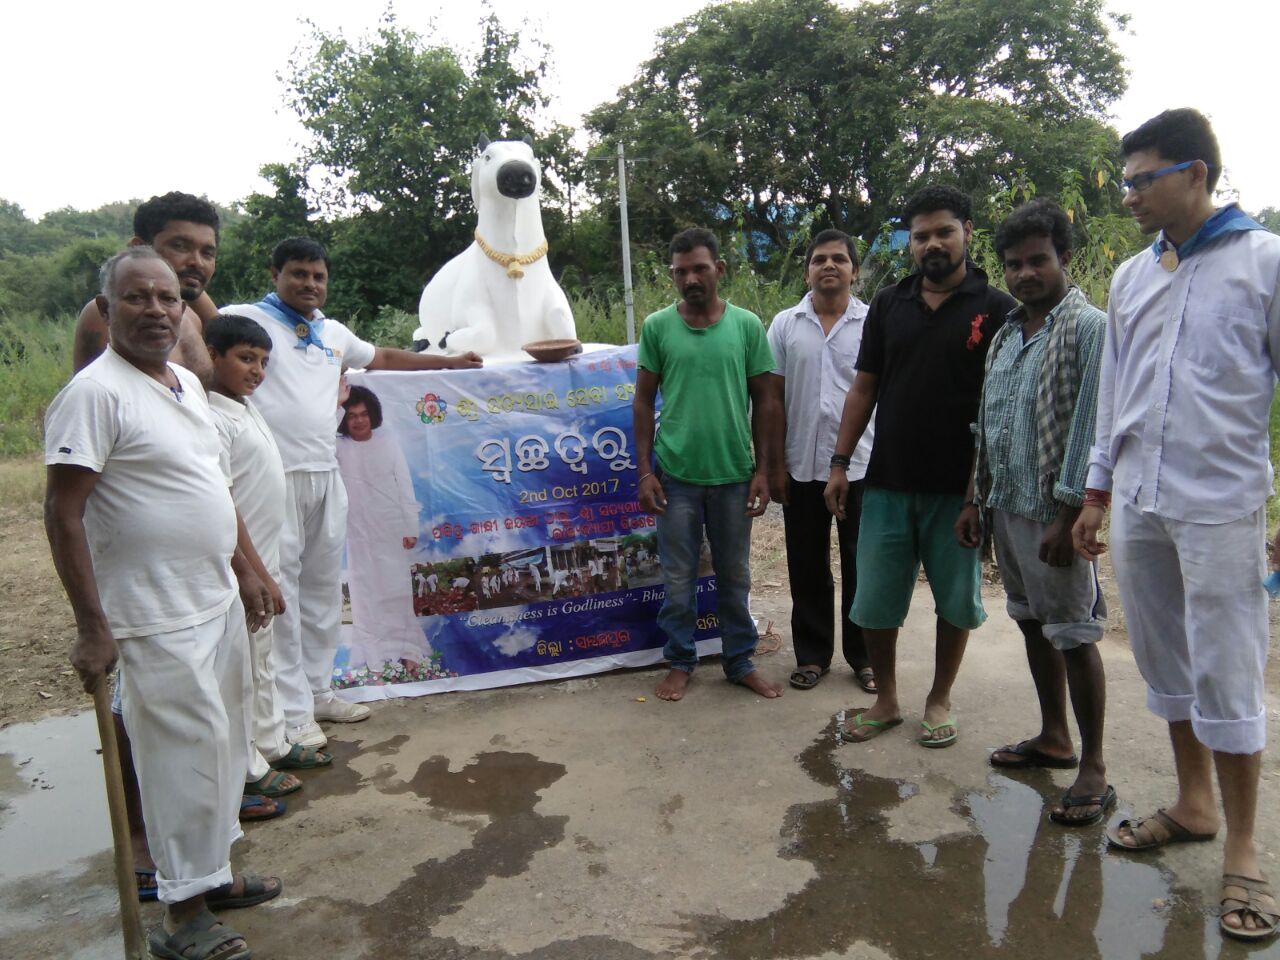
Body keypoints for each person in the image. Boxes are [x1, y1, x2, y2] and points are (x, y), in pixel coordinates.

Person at [1073, 108, 1280, 941]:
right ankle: (1194, 804)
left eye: (1142, 180)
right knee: (1164, 657)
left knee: (1228, 668)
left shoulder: (1264, 263)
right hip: (1139, 499)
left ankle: (1244, 850)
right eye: (1124, 182)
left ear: (1196, 173)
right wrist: (1096, 492)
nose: (1128, 196)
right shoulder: (1133, 277)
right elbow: (1113, 393)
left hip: (1222, 504)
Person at [45, 249, 279, 960]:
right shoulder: (94, 394)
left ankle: (213, 875)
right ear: (105, 309)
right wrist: (92, 627)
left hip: (214, 599)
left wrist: (245, 568)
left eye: (167, 298)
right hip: (153, 615)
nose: (155, 309)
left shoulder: (185, 385)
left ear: (183, 309)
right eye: (136, 297)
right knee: (181, 761)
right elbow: (62, 511)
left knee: (223, 747)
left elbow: (213, 485)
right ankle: (183, 916)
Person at [222, 237, 482, 747]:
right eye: (298, 274)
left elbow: (380, 356)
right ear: (275, 274)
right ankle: (291, 714)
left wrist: (448, 362)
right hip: (273, 477)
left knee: (322, 591)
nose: (309, 284)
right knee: (282, 593)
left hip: (325, 473)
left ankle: (320, 691)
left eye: (318, 276)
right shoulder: (247, 319)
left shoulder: (333, 332)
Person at [824, 186, 1016, 746]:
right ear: (909, 242)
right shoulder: (889, 303)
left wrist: (978, 493)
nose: (932, 243)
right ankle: (886, 700)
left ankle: (939, 699)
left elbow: (1000, 406)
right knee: (875, 599)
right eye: (921, 235)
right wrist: (840, 464)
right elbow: (864, 386)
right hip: (887, 481)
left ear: (967, 233)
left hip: (958, 492)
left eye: (943, 232)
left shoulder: (997, 308)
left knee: (955, 602)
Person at [956, 199, 1110, 825]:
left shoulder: (1089, 328)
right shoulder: (1005, 335)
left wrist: (1068, 513)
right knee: (1029, 622)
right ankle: (1054, 736)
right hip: (1006, 505)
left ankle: (1094, 766)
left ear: (1064, 257)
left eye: (1038, 260)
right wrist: (975, 498)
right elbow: (987, 423)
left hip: (1056, 514)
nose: (1025, 274)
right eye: (1014, 264)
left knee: (1074, 632)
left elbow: (1092, 424)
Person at [633, 227, 783, 702]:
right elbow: (642, 400)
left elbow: (766, 400)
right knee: (678, 579)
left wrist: (763, 471)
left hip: (735, 475)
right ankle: (680, 661)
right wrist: (645, 471)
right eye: (681, 272)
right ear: (672, 276)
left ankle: (740, 661)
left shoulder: (746, 326)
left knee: (735, 575)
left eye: (700, 269)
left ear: (719, 269)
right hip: (675, 477)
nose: (691, 279)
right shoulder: (658, 326)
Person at [205, 313, 333, 789]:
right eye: (245, 358)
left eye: (262, 361)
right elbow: (225, 504)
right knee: (239, 668)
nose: (257, 370)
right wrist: (254, 572)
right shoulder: (212, 419)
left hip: (266, 558)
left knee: (262, 658)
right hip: (243, 566)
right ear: (212, 356)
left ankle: (272, 742)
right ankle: (248, 768)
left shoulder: (245, 407)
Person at [766, 229, 876, 694]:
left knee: (862, 564)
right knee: (806, 564)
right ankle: (812, 655)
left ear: (855, 270)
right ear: (806, 270)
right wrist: (772, 465)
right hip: (801, 466)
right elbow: (772, 398)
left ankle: (865, 657)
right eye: (819, 259)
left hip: (861, 466)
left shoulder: (873, 323)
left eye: (839, 259)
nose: (829, 266)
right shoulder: (785, 325)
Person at [73, 191, 220, 383]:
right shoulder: (109, 315)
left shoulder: (193, 313)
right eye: (180, 246)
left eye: (207, 253)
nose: (197, 262)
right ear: (139, 247)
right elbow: (96, 393)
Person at [336, 384, 428, 677]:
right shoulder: (338, 447)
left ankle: (408, 652)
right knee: (365, 595)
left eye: (363, 414)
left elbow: (405, 486)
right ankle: (374, 658)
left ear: (373, 415)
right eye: (351, 415)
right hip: (357, 532)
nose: (358, 420)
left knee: (396, 591)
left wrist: (410, 526)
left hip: (391, 529)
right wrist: (336, 401)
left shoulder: (389, 443)